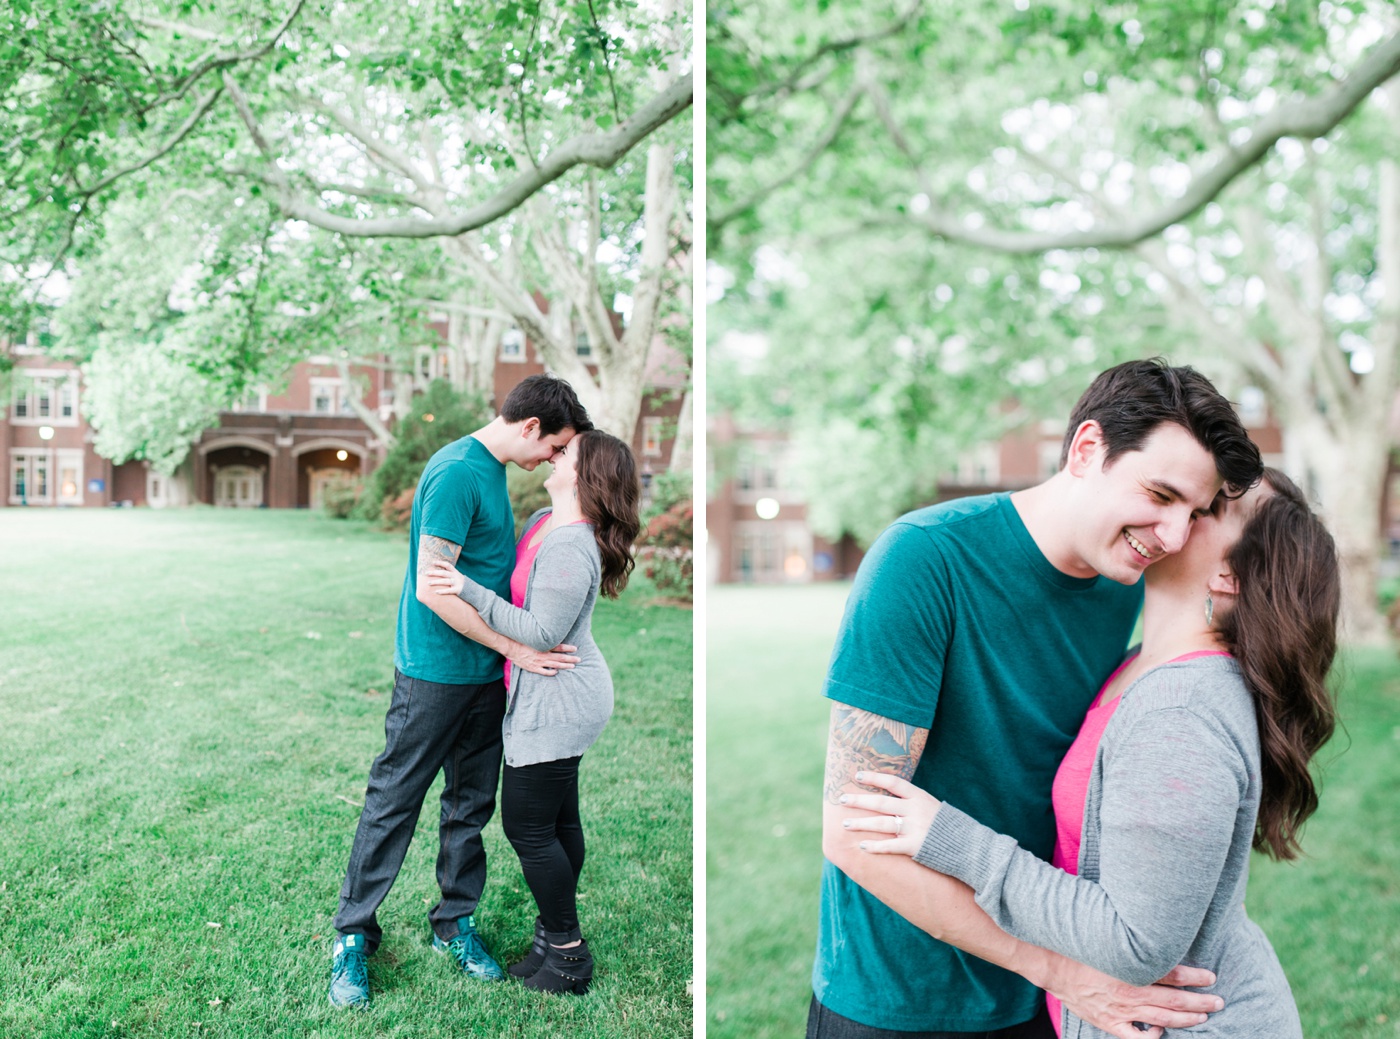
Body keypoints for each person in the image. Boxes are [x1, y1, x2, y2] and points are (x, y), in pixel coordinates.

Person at [814, 359, 1263, 1039]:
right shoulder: (922, 561)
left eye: (1195, 512)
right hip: (898, 996)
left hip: (1041, 999)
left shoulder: (1128, 576)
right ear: (1087, 449)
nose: (1172, 536)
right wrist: (1063, 971)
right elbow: (853, 833)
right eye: (1160, 494)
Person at [842, 468, 1339, 1039]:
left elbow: (1136, 944)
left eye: (1207, 510)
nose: (1176, 518)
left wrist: (953, 841)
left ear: (1231, 574)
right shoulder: (1139, 665)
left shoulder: (1181, 711)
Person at [328, 374, 592, 1010]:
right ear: (530, 427)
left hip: (484, 679)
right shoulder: (455, 472)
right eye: (554, 447)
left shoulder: (493, 473)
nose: (552, 460)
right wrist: (517, 649)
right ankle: (352, 937)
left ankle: (454, 923)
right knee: (395, 800)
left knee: (470, 805)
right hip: (435, 672)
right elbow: (431, 586)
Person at [426, 429, 642, 994]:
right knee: (556, 820)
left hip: (561, 695)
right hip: (545, 688)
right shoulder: (546, 522)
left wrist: (466, 589)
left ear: (585, 473)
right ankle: (551, 938)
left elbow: (543, 632)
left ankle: (568, 954)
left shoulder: (574, 544)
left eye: (565, 452)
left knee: (528, 826)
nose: (554, 453)